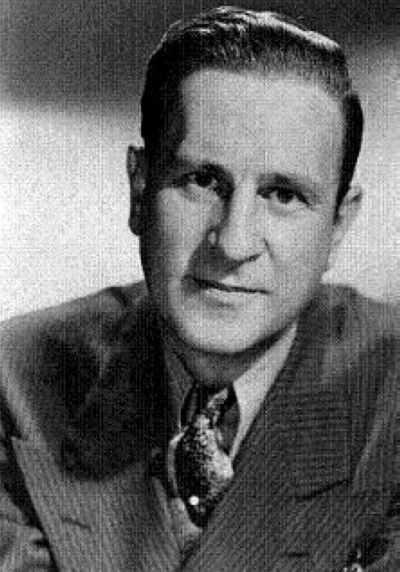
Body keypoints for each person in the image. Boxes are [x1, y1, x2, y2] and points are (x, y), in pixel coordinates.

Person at [0, 6, 398, 572]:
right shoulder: (15, 381)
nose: (233, 243)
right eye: (203, 181)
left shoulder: (390, 402)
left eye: (283, 195)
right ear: (140, 191)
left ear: (338, 224)